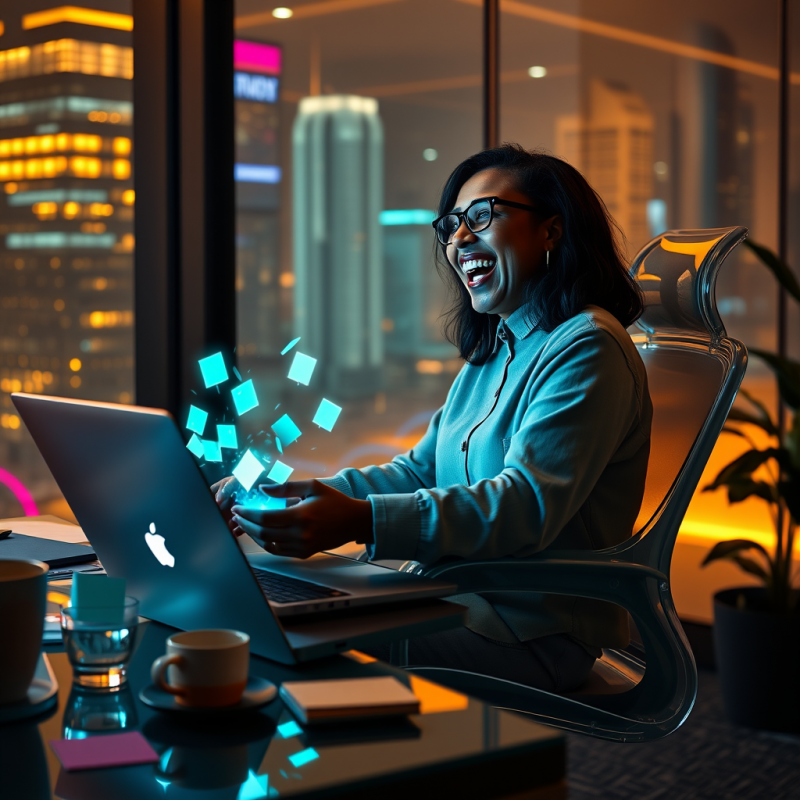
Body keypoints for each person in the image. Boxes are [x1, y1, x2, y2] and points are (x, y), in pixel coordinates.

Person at [214, 144, 652, 694]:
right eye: (450, 226)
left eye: (481, 217)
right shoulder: (498, 346)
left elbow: (524, 507)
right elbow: (421, 471)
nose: (458, 240)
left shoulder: (586, 346)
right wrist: (298, 495)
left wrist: (358, 521)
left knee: (270, 635)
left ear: (551, 231)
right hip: (449, 595)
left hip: (529, 631)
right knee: (253, 602)